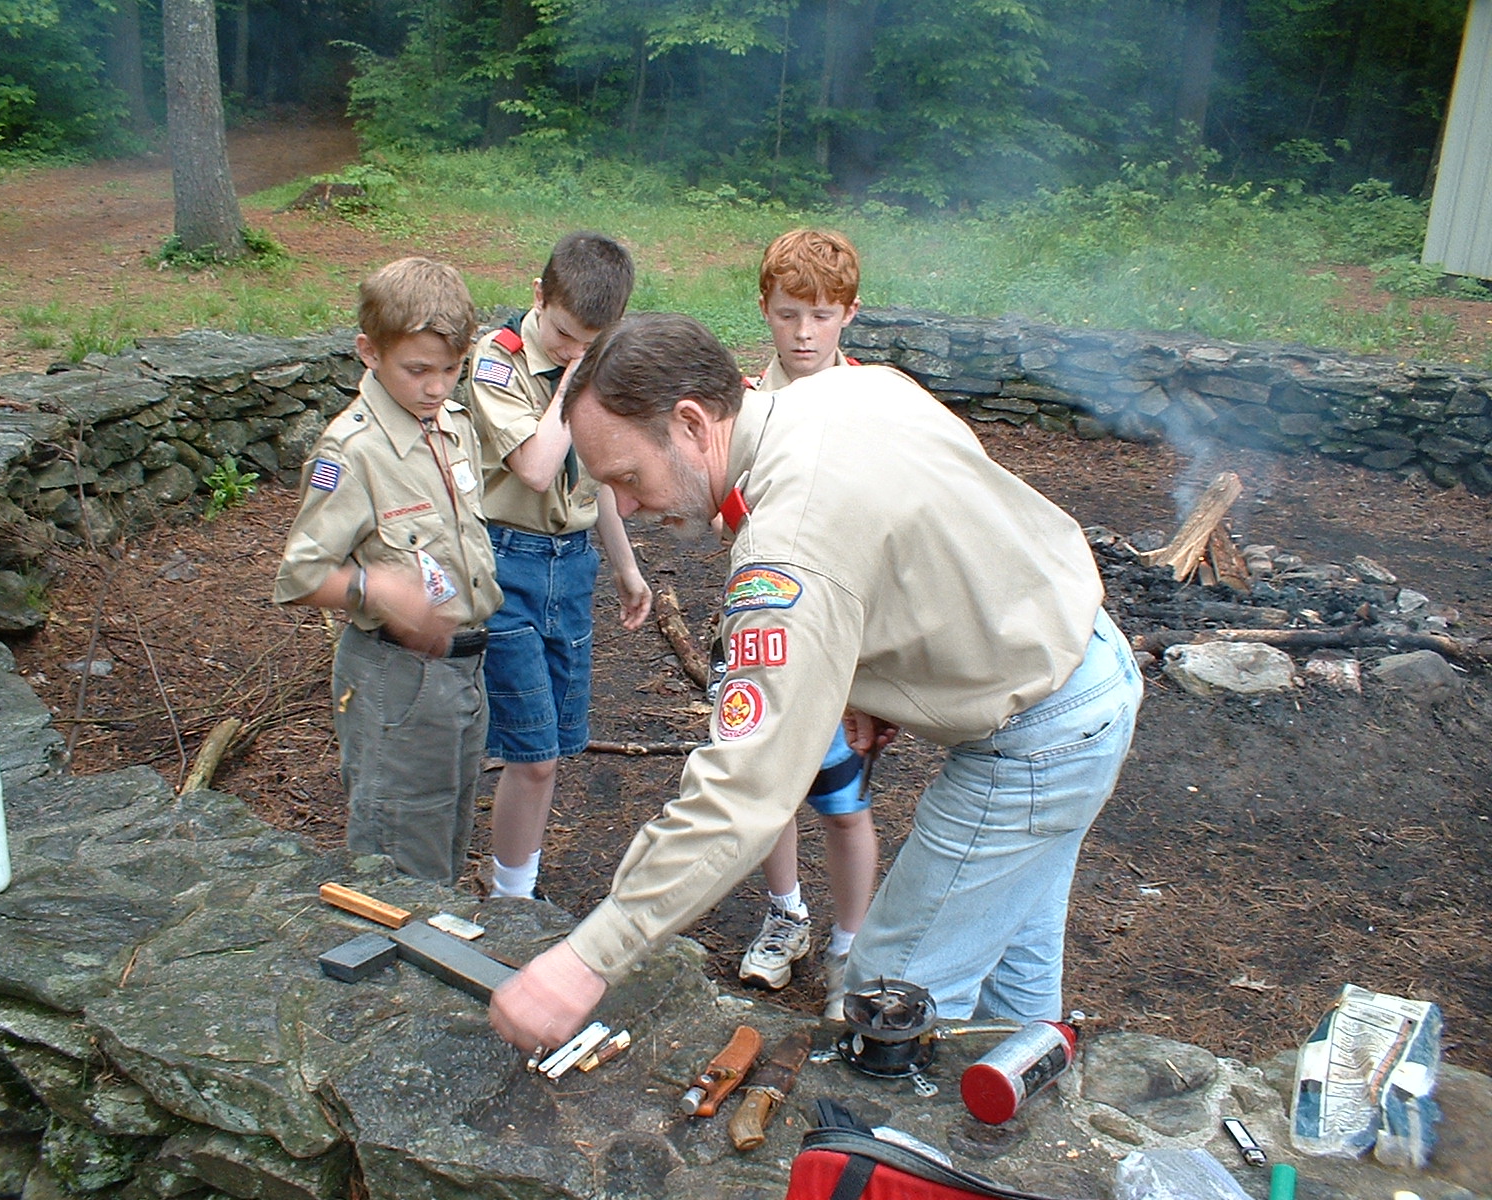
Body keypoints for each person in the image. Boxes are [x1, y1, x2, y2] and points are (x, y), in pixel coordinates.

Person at [488, 312, 1142, 1053]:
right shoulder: (851, 389)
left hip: (1036, 743)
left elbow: (747, 790)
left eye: (628, 478)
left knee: (886, 1007)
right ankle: (1024, 1104)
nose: (627, 509)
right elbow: (943, 513)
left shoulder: (788, 547)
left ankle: (906, 1127)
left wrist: (587, 959)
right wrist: (874, 671)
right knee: (1014, 990)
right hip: (1091, 663)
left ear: (693, 423)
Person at [273, 256, 501, 884]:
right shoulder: (353, 451)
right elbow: (299, 575)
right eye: (418, 370)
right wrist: (377, 587)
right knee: (401, 857)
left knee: (447, 838)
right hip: (396, 678)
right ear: (369, 352)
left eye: (451, 369)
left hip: (464, 668)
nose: (437, 387)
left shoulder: (453, 427)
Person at [467, 231, 652, 901]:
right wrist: (578, 381)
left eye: (590, 343)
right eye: (565, 335)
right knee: (534, 752)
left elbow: (591, 478)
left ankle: (516, 879)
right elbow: (539, 468)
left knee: (554, 747)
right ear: (538, 296)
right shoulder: (498, 361)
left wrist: (626, 568)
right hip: (507, 565)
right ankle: (510, 895)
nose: (574, 351)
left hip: (571, 569)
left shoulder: (591, 363)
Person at [731, 229, 873, 1020]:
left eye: (821, 315)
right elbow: (727, 511)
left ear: (849, 312)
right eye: (789, 314)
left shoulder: (875, 404)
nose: (805, 333)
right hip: (766, 629)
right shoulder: (748, 406)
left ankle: (853, 945)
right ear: (765, 308)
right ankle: (786, 915)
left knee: (845, 802)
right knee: (772, 790)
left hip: (845, 637)